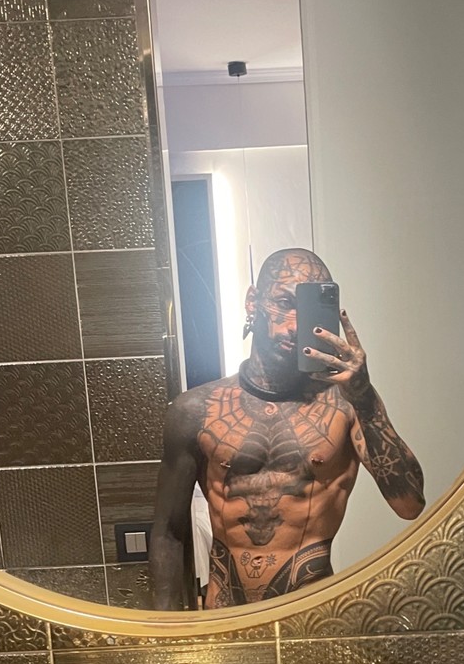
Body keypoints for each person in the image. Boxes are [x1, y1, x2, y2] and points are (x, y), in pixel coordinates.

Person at [151, 247, 424, 609]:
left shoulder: (346, 405)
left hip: (313, 619)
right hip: (226, 618)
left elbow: (410, 505)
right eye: (283, 302)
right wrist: (170, 632)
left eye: (307, 311)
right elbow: (168, 533)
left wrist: (365, 398)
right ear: (253, 301)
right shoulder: (196, 410)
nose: (295, 326)